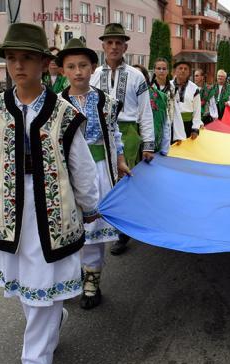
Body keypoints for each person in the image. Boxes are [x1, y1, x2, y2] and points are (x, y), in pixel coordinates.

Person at [0, 23, 98, 364]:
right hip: (8, 214)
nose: (18, 66)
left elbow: (81, 165)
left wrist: (90, 207)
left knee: (41, 285)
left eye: (27, 58)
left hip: (52, 215)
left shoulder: (63, 112)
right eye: (11, 58)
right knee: (26, 284)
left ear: (44, 63)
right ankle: (49, 325)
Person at [56, 38, 129, 309]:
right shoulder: (55, 104)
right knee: (67, 227)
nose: (78, 72)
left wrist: (120, 160)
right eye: (71, 66)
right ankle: (69, 278)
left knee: (93, 228)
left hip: (99, 171)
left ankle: (91, 281)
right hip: (66, 176)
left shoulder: (106, 101)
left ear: (93, 67)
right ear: (63, 70)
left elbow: (115, 134)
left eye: (83, 65)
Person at [89, 23, 155, 256]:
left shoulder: (137, 76)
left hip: (128, 132)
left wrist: (148, 144)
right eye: (110, 42)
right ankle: (102, 222)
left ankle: (122, 232)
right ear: (103, 45)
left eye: (118, 42)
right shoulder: (93, 75)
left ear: (126, 45)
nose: (114, 46)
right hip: (101, 133)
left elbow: (146, 112)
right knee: (101, 179)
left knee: (123, 181)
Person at [147, 58, 187, 154]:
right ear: (154, 70)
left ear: (168, 71)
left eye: (164, 69)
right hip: (151, 126)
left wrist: (179, 134)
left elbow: (176, 111)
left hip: (167, 125)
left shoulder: (173, 89)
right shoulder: (149, 88)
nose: (161, 71)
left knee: (164, 154)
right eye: (159, 68)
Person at [172, 60, 202, 139]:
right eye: (180, 68)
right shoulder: (168, 86)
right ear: (175, 71)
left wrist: (195, 128)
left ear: (189, 72)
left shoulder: (194, 88)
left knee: (184, 150)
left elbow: (197, 110)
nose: (183, 70)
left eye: (186, 69)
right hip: (171, 124)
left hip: (187, 124)